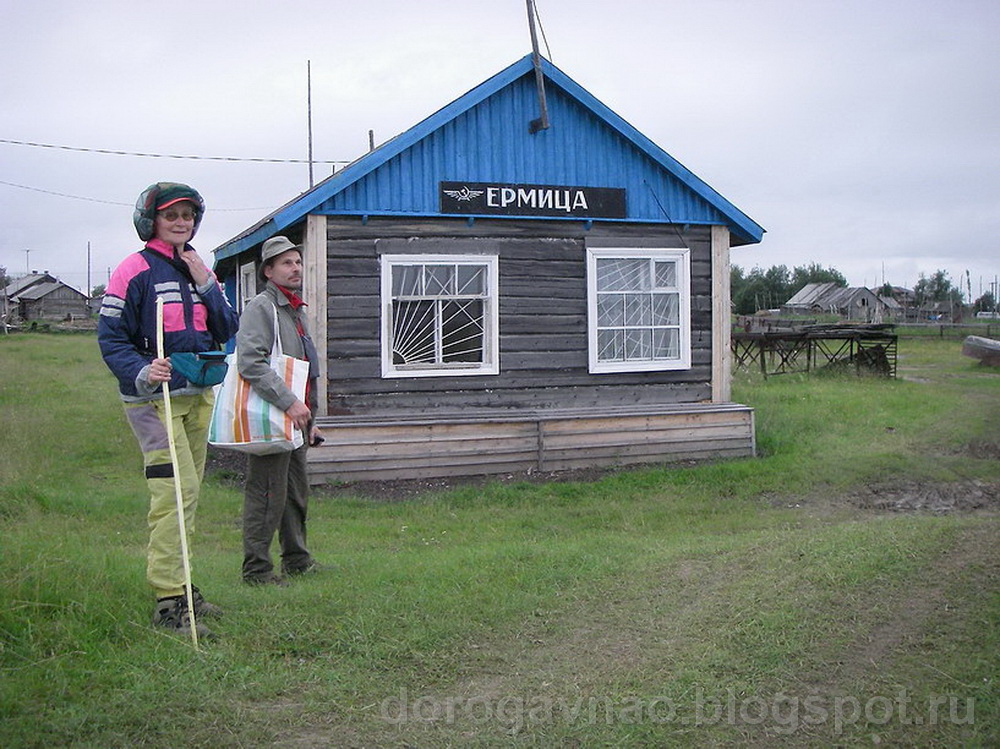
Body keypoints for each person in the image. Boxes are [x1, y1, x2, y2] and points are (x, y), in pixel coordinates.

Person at [98, 182, 239, 638]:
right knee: (172, 497)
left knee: (191, 493)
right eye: (172, 215)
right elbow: (111, 339)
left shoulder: (201, 269)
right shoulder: (132, 270)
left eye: (188, 216)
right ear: (151, 219)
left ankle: (183, 586)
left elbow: (225, 327)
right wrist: (142, 369)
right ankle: (168, 602)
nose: (182, 223)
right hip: (152, 401)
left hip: (198, 395)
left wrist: (206, 282)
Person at [237, 236, 324, 585]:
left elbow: (303, 368)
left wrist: (309, 422)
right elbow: (250, 362)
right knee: (267, 494)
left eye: (298, 262)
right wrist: (288, 402)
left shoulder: (296, 309)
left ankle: (297, 560)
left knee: (294, 493)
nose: (295, 268)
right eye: (286, 263)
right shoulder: (262, 307)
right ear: (268, 271)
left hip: (297, 420)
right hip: (273, 415)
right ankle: (257, 570)